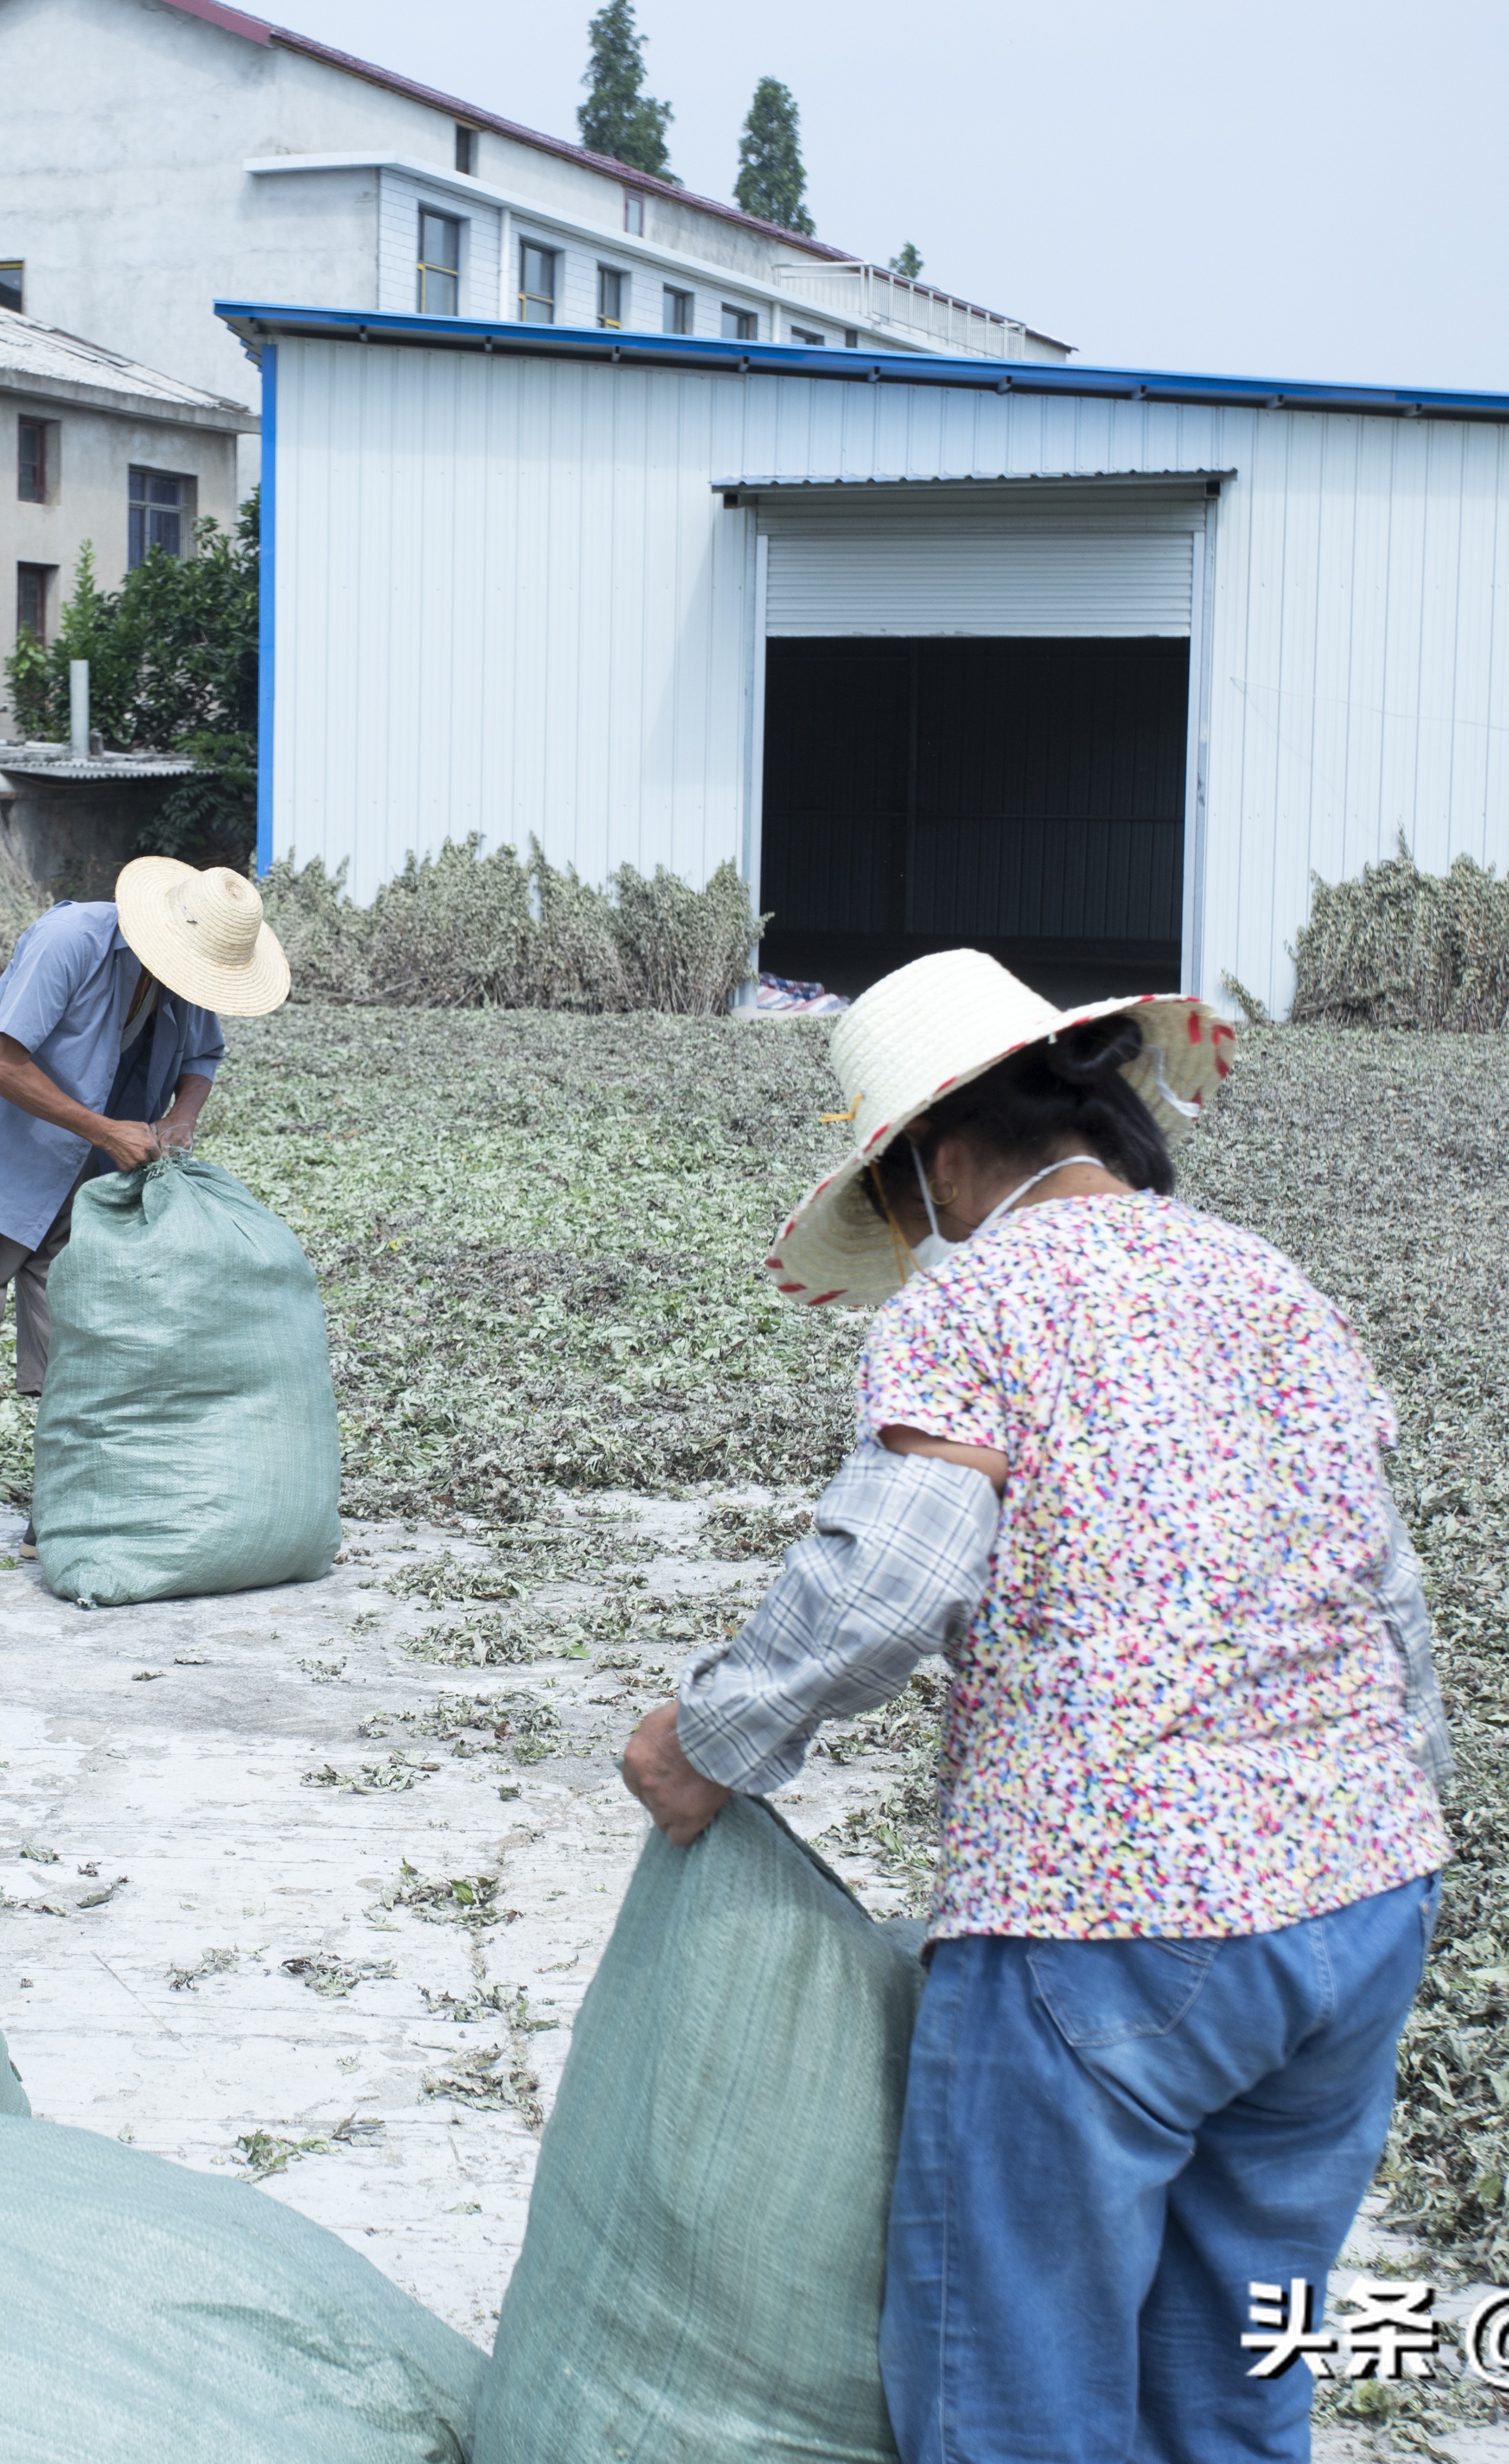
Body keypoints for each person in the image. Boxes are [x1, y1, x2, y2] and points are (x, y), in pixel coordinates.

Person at [619, 947, 1449, 2464]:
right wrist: (1388, 1819)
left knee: (1015, 2382)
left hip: (1107, 1909)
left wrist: (708, 1740)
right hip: (1362, 1903)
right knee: (1237, 2373)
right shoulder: (1273, 1283)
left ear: (937, 1160)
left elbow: (890, 1583)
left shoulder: (978, 1302)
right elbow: (1387, 1592)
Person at [0, 855, 291, 1575]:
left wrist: (181, 1117)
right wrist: (105, 1129)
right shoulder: (71, 942)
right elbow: (0, 1064)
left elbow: (203, 1057)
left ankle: (52, 1509)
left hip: (80, 1185)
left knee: (77, 1349)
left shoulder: (183, 984)